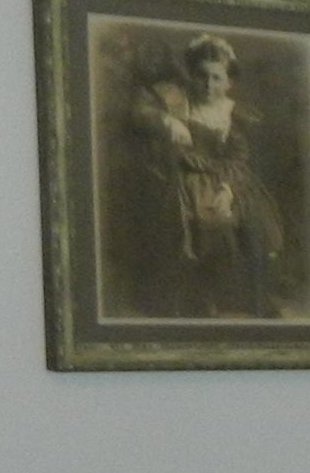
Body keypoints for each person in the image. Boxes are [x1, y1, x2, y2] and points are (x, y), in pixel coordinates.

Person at [121, 33, 284, 318]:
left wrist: (228, 189)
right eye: (202, 76)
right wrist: (167, 120)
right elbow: (139, 110)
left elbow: (239, 159)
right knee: (190, 221)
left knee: (246, 222)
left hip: (228, 179)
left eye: (216, 78)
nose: (208, 85)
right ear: (191, 75)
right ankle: (196, 297)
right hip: (184, 177)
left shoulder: (235, 114)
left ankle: (244, 296)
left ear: (229, 82)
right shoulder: (177, 101)